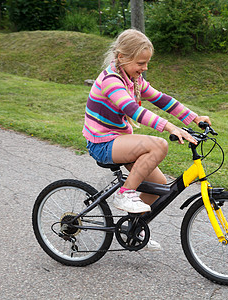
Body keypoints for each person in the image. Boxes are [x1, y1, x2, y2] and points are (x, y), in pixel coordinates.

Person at [82, 29, 211, 217]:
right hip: (102, 143)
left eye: (147, 63)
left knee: (157, 186)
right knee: (159, 145)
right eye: (141, 63)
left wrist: (194, 118)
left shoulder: (134, 80)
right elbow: (132, 110)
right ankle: (125, 194)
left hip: (119, 140)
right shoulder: (111, 80)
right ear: (122, 58)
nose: (145, 68)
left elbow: (162, 99)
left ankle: (133, 230)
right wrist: (169, 126)